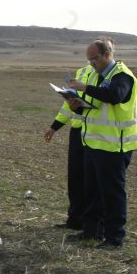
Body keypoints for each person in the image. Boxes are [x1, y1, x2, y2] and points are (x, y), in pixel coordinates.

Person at [67, 37, 137, 248]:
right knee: (92, 192)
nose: (92, 64)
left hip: (115, 146)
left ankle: (115, 238)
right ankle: (91, 232)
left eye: (94, 59)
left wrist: (85, 88)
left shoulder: (122, 76)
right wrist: (76, 107)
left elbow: (115, 96)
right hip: (94, 144)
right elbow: (96, 107)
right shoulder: (98, 76)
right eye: (89, 61)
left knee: (112, 195)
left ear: (107, 54)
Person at [44, 62, 98, 229]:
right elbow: (68, 106)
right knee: (75, 178)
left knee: (91, 180)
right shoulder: (82, 72)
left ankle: (91, 224)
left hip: (96, 132)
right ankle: (75, 220)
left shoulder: (106, 75)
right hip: (77, 132)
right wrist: (54, 127)